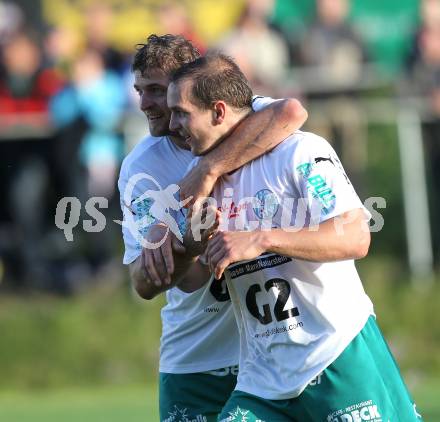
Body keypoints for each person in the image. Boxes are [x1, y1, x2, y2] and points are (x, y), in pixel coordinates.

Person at [166, 53, 422, 421]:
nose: (172, 124)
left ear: (219, 112)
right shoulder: (200, 177)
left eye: (182, 113)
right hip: (262, 379)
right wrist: (189, 247)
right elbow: (190, 281)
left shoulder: (299, 152)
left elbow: (355, 237)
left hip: (336, 355)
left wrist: (263, 237)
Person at [118, 34, 308, 422]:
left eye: (156, 90)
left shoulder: (241, 118)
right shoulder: (143, 167)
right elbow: (143, 282)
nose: (145, 104)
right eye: (140, 91)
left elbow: (290, 112)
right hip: (198, 355)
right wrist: (181, 244)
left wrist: (207, 169)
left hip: (280, 347)